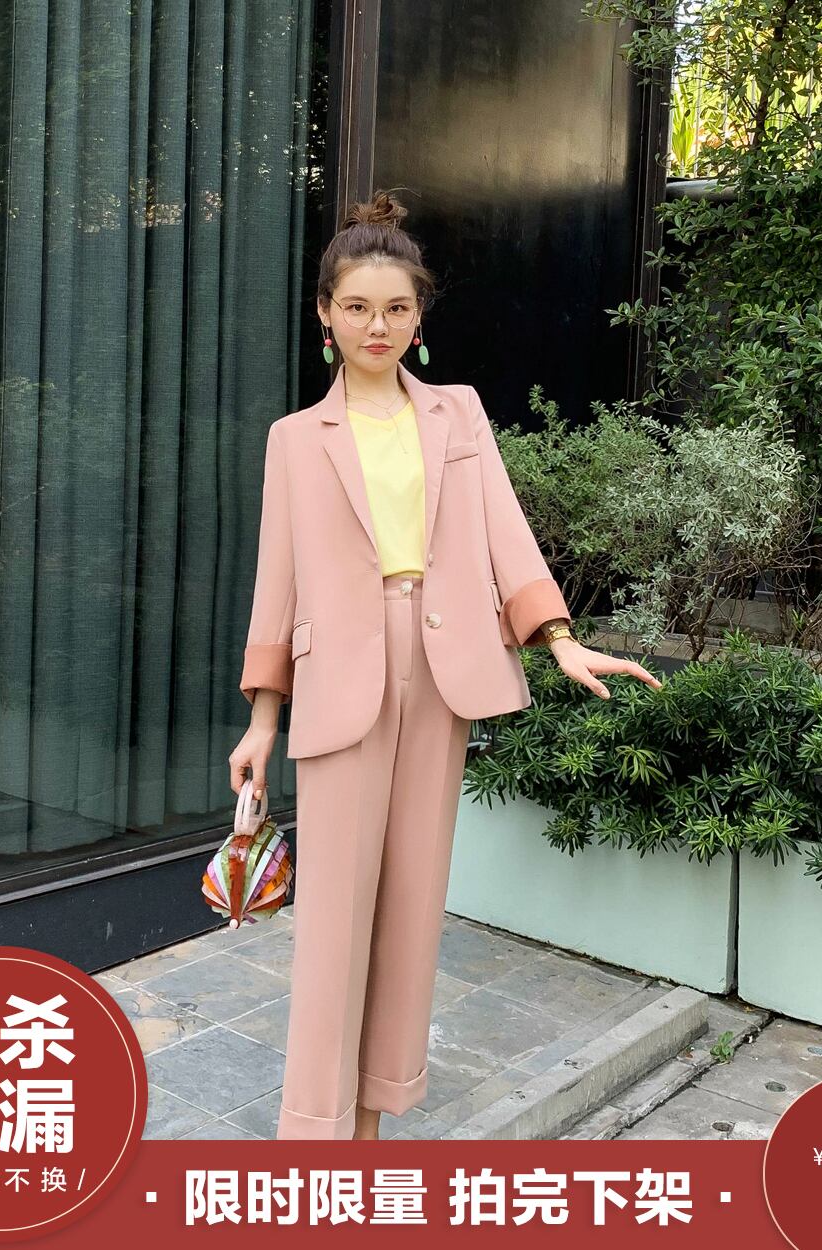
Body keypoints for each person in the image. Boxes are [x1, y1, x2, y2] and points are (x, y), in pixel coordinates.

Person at [228, 189, 662, 1141]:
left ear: (419, 315)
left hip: (442, 667)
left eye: (396, 308)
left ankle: (373, 1127)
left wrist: (559, 639)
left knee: (414, 907)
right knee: (334, 924)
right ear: (326, 315)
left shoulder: (458, 415)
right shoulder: (295, 439)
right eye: (357, 308)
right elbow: (278, 581)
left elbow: (505, 533)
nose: (376, 327)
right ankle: (313, 1138)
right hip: (342, 674)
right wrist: (263, 719)